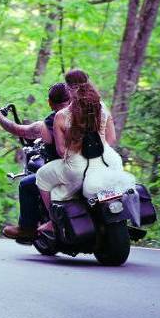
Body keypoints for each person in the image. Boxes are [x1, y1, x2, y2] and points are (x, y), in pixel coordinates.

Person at [35, 78, 134, 231]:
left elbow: (61, 152)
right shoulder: (101, 108)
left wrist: (78, 154)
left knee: (41, 176)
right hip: (108, 160)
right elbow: (111, 139)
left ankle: (54, 222)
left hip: (78, 166)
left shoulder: (60, 116)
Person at [0, 82, 70, 240]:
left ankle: (27, 229)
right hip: (94, 167)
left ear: (49, 102)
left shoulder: (50, 123)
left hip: (66, 171)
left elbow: (18, 130)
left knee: (26, 185)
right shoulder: (84, 115)